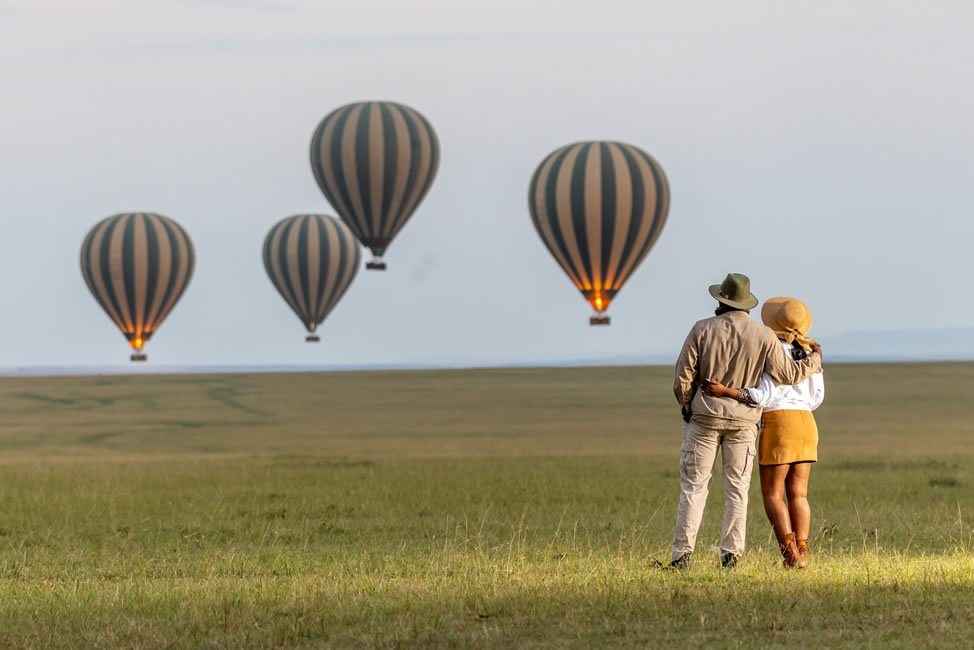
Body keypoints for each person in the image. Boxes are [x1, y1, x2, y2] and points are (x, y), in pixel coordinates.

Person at [670, 274, 822, 570]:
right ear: (747, 304)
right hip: (744, 424)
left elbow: (683, 376)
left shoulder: (701, 329)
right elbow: (788, 375)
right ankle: (730, 556)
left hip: (704, 419)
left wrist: (687, 403)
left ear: (720, 300)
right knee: (737, 490)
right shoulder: (763, 335)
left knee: (694, 488)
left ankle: (682, 556)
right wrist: (815, 361)